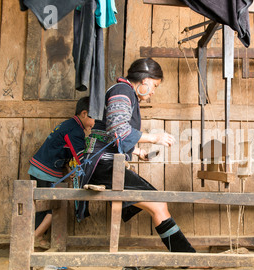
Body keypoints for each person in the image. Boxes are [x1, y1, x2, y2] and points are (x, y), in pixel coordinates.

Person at [77, 58, 196, 253]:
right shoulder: (122, 91)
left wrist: (137, 151)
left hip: (106, 163)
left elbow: (110, 135)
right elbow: (118, 130)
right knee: (158, 204)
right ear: (144, 81)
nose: (153, 92)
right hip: (102, 165)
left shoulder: (125, 93)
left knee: (157, 204)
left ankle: (185, 256)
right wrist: (154, 138)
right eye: (154, 86)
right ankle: (187, 258)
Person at [29, 97, 95, 248]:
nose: (94, 124)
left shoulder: (69, 125)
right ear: (84, 114)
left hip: (40, 168)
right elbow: (81, 159)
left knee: (44, 206)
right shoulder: (75, 131)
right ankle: (35, 237)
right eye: (94, 119)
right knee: (57, 205)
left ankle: (37, 237)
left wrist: (67, 169)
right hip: (44, 171)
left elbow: (62, 151)